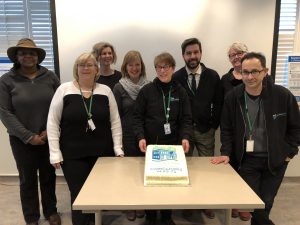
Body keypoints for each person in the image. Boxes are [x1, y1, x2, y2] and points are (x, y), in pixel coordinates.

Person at [211, 52, 300, 225]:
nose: (249, 76)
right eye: (245, 72)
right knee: (253, 205)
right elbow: (227, 129)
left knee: (266, 202)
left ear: (265, 71)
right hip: (247, 160)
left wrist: (290, 152)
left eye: (255, 71)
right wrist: (226, 152)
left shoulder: (282, 96)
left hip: (275, 160)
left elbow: (296, 127)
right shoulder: (233, 97)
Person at [47, 53, 124, 225]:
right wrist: (54, 152)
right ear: (76, 69)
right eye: (81, 65)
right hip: (73, 153)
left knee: (97, 192)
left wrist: (118, 148)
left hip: (102, 153)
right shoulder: (64, 90)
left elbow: (115, 122)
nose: (86, 68)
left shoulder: (106, 91)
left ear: (96, 69)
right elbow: (52, 122)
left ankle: (94, 221)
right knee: (79, 193)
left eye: (90, 64)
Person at [0, 38, 61, 225]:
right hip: (21, 140)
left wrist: (47, 133)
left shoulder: (50, 77)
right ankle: (31, 217)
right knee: (27, 180)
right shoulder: (6, 80)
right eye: (23, 53)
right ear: (16, 57)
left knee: (49, 177)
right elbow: (4, 112)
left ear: (38, 57)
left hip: (48, 137)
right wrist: (28, 136)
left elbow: (60, 105)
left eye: (32, 53)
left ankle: (51, 211)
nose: (28, 56)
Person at [133, 52, 192, 225]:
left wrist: (185, 137)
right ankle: (151, 217)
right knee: (151, 182)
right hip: (151, 146)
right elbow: (137, 118)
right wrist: (140, 137)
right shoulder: (147, 91)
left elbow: (186, 119)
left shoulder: (181, 91)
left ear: (173, 68)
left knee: (169, 183)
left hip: (173, 146)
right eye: (159, 67)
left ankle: (167, 216)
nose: (162, 70)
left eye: (166, 67)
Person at [173, 37, 222, 219]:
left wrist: (213, 124)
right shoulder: (177, 77)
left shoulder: (212, 75)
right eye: (188, 53)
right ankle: (187, 203)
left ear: (200, 53)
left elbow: (218, 103)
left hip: (205, 130)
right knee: (184, 167)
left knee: (206, 169)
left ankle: (206, 202)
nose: (192, 56)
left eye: (195, 52)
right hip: (183, 131)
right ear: (183, 55)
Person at [113, 50, 149, 221]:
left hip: (144, 136)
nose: (134, 68)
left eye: (137, 64)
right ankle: (129, 204)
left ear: (141, 66)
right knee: (128, 173)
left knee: (143, 171)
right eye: (130, 64)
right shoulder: (119, 87)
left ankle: (142, 203)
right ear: (125, 67)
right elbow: (115, 116)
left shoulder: (149, 86)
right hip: (126, 136)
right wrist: (117, 141)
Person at [221, 42, 251, 221]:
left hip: (253, 130)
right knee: (231, 168)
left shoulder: (259, 76)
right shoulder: (225, 79)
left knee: (249, 168)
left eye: (239, 53)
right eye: (232, 55)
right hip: (232, 130)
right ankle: (233, 203)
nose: (236, 57)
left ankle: (245, 205)